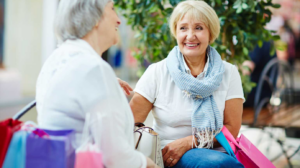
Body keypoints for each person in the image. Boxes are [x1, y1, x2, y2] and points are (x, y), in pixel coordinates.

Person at [35, 0, 158, 168]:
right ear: (94, 17)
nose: (118, 20)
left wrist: (106, 85)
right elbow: (116, 158)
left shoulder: (57, 59)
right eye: (113, 9)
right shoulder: (93, 68)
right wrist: (149, 164)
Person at [130, 1, 244, 168]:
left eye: (198, 28)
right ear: (176, 32)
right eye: (183, 28)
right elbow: (131, 123)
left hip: (219, 153)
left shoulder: (229, 72)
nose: (190, 36)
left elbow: (232, 128)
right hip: (170, 156)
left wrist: (190, 142)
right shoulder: (157, 72)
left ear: (210, 33)